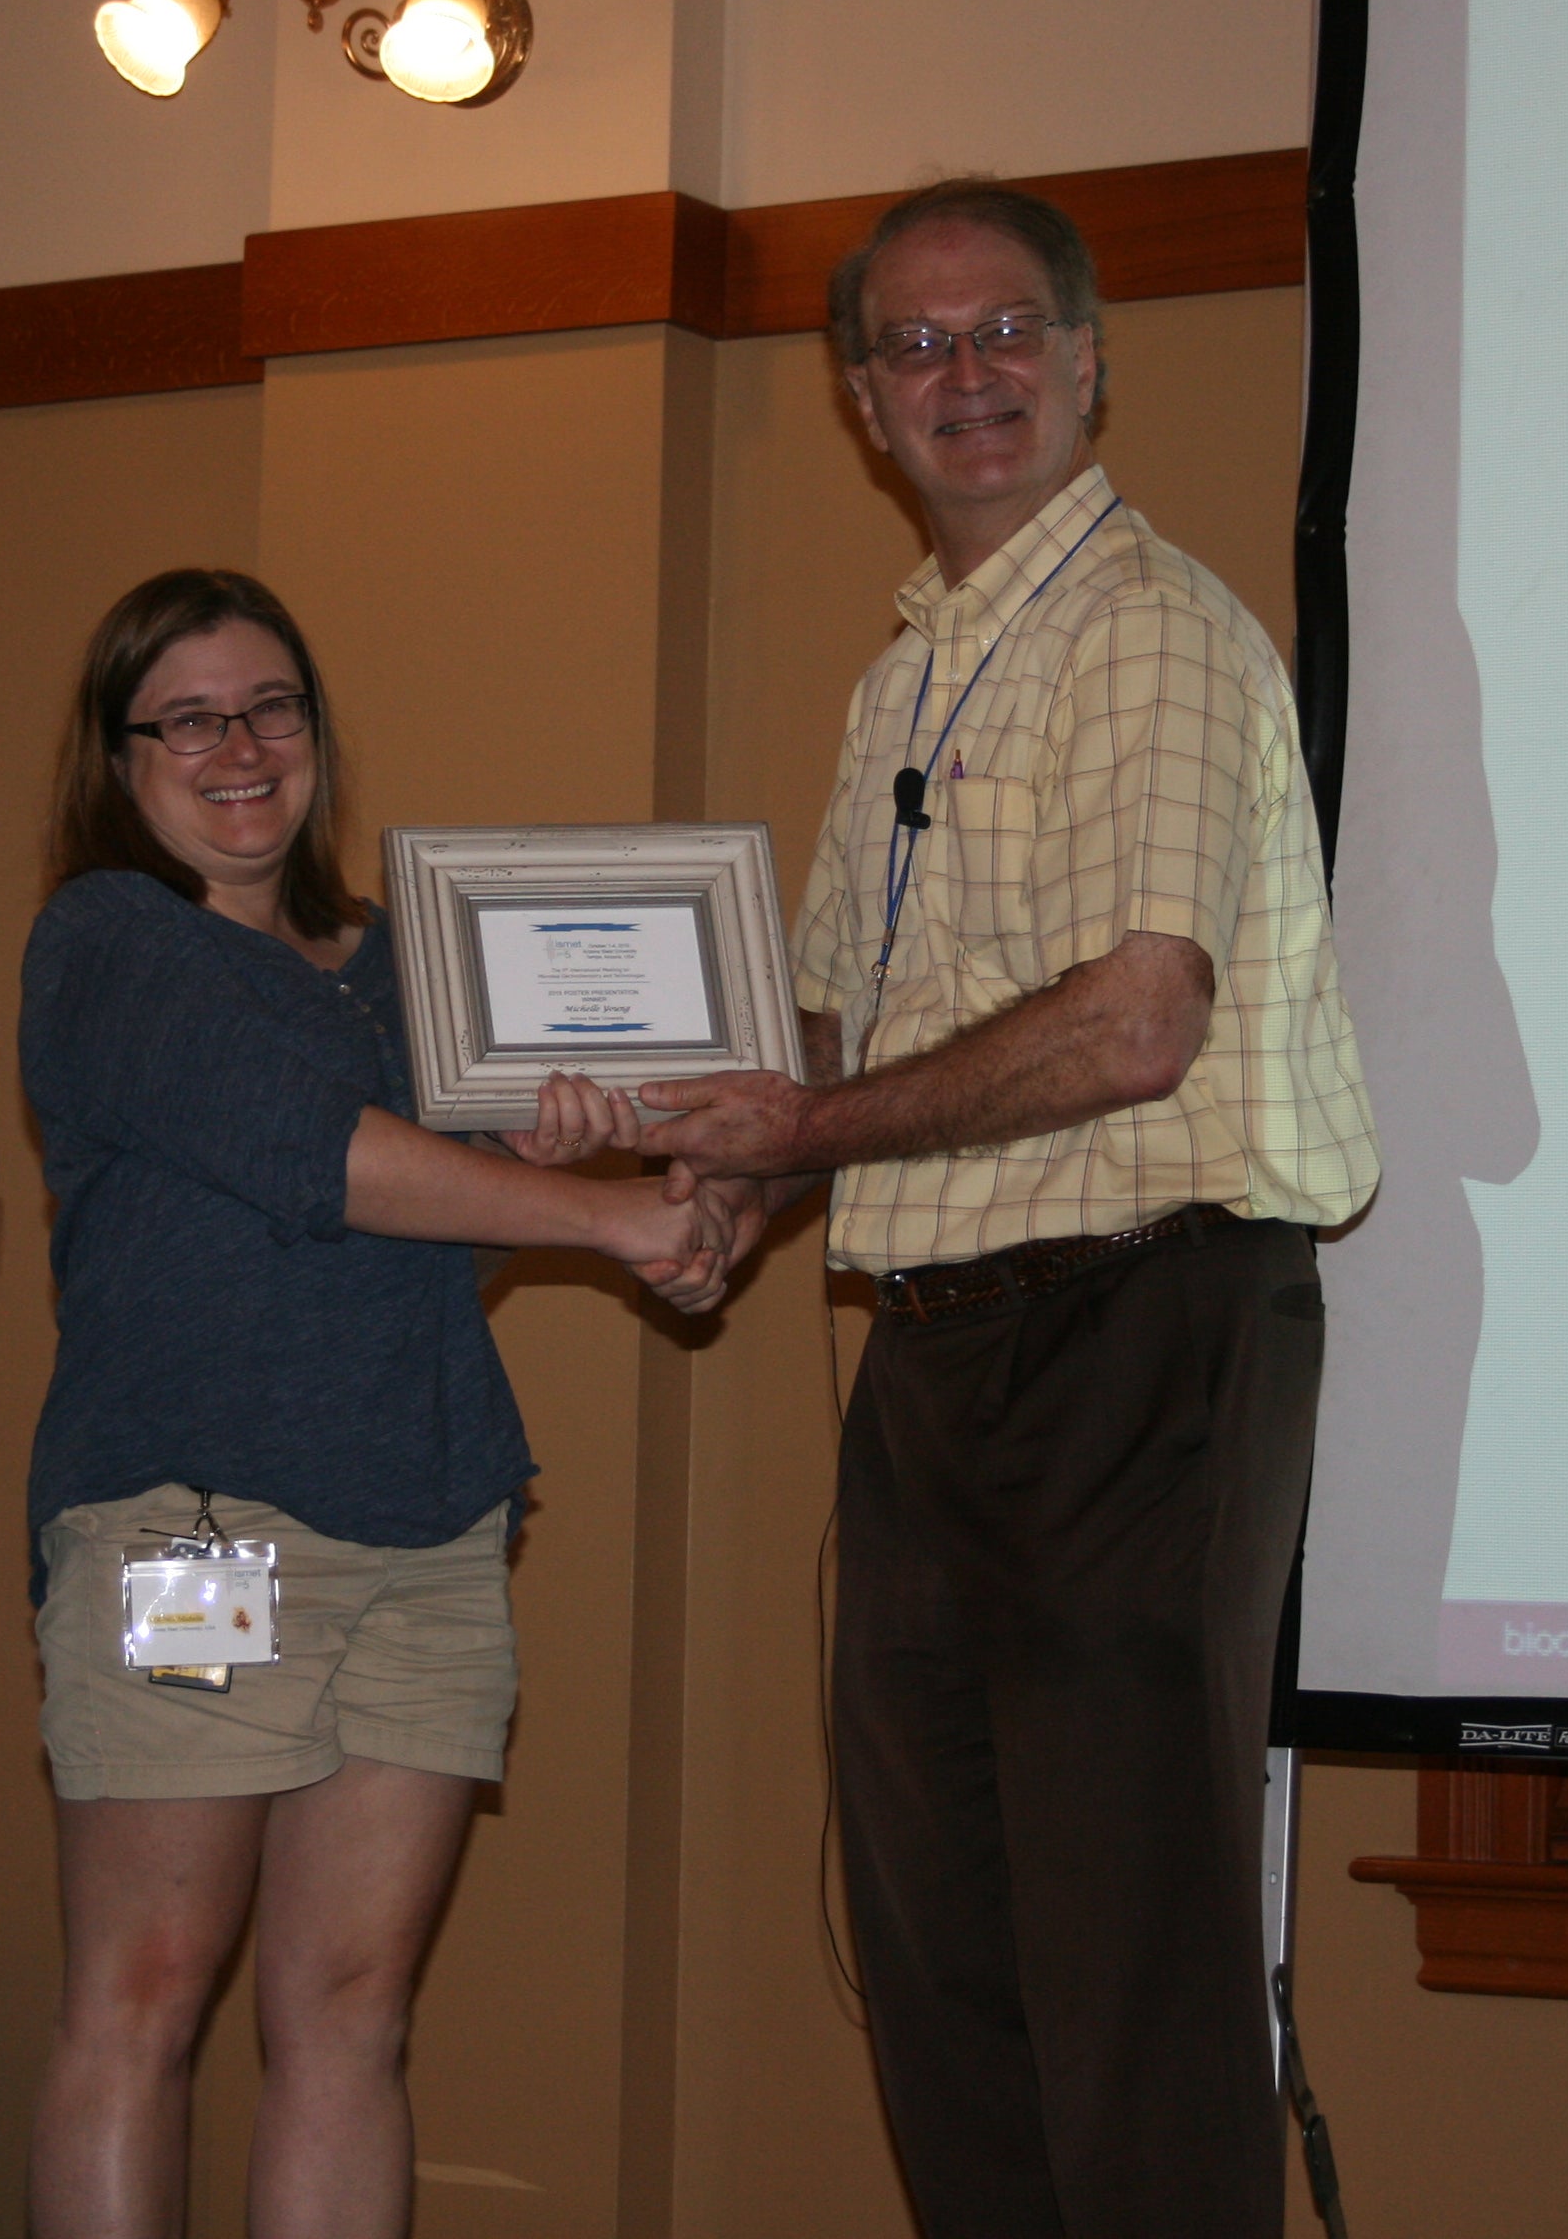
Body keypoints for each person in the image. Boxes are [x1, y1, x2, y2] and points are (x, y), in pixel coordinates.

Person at [636, 181, 1379, 2238]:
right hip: (942, 1358)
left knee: (1121, 1974)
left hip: (1140, 1337)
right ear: (864, 404)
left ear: (1089, 360)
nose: (967, 379)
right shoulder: (914, 675)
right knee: (944, 1956)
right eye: (918, 349)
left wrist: (793, 1136)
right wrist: (689, 1175)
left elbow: (1135, 1025)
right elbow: (824, 1031)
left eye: (1007, 335)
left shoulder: (1147, 628)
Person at [17, 567, 718, 2239]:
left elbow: (410, 1250)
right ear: (123, 763)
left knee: (350, 2018)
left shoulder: (413, 961)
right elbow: (315, 1160)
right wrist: (614, 1215)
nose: (240, 746)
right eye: (187, 717)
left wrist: (537, 1155)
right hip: (197, 1543)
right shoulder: (109, 941)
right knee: (148, 1992)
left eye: (273, 707)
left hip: (430, 1533)